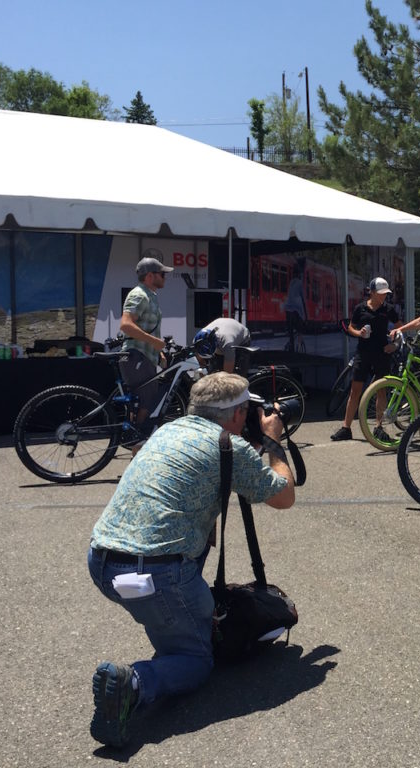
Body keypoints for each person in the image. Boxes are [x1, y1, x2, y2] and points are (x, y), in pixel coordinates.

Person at [87, 372, 295, 747]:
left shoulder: (167, 431)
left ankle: (176, 627)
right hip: (156, 574)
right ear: (237, 414)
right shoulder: (230, 446)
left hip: (102, 561)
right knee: (196, 661)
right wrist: (273, 440)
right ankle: (133, 682)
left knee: (186, 573)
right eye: (249, 410)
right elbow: (283, 496)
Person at [331, 277, 400, 442]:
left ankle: (379, 427)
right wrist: (358, 333)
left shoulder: (388, 309)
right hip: (363, 353)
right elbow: (351, 327)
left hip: (382, 353)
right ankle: (346, 428)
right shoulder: (360, 308)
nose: (384, 296)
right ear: (372, 292)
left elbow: (400, 328)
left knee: (381, 390)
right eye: (381, 293)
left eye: (386, 294)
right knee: (355, 390)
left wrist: (395, 345)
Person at [119, 256, 173, 438]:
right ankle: (137, 439)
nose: (165, 277)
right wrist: (153, 342)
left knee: (144, 400)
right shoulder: (138, 295)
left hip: (145, 356)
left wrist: (159, 353)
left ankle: (137, 439)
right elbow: (126, 325)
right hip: (136, 356)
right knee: (148, 399)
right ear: (150, 276)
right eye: (163, 274)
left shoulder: (151, 296)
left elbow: (148, 328)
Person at [282, 264, 307, 353]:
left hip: (288, 309)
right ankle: (299, 344)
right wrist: (306, 315)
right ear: (299, 274)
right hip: (296, 309)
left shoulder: (291, 283)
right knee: (300, 327)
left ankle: (291, 345)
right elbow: (303, 298)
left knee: (291, 331)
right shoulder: (300, 283)